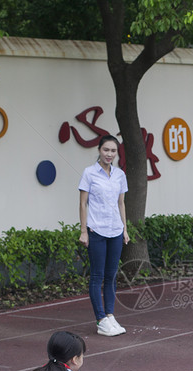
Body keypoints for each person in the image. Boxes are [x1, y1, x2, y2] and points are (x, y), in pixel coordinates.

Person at [78, 134, 130, 337]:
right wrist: (83, 231)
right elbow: (83, 203)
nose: (109, 154)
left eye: (113, 151)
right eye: (106, 150)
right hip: (96, 230)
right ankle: (100, 319)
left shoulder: (119, 175)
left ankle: (110, 315)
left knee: (111, 276)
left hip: (115, 230)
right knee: (97, 276)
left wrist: (125, 229)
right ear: (99, 150)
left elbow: (121, 203)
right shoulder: (89, 173)